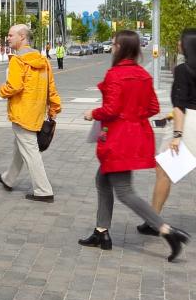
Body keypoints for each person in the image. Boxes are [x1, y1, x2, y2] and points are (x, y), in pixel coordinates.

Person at [79, 30, 188, 261]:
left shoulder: (114, 74)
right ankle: (101, 232)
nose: (113, 47)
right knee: (102, 180)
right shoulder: (142, 74)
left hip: (118, 138)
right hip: (136, 135)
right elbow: (152, 107)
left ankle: (166, 230)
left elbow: (110, 109)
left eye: (114, 44)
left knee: (125, 191)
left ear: (119, 47)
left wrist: (92, 113)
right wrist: (133, 112)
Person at [137, 29, 196, 235]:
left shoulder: (183, 70)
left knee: (163, 171)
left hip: (186, 124)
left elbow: (180, 105)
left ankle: (154, 221)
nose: (178, 43)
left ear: (187, 45)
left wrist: (177, 136)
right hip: (187, 121)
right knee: (165, 171)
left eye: (180, 40)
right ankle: (153, 219)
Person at [0, 22, 61, 201]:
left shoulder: (17, 60)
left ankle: (43, 190)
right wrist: (54, 108)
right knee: (21, 146)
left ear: (22, 37)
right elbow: (51, 88)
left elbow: (14, 86)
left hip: (22, 113)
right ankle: (8, 179)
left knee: (30, 151)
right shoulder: (42, 60)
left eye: (10, 35)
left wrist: (1, 90)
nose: (7, 38)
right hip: (36, 112)